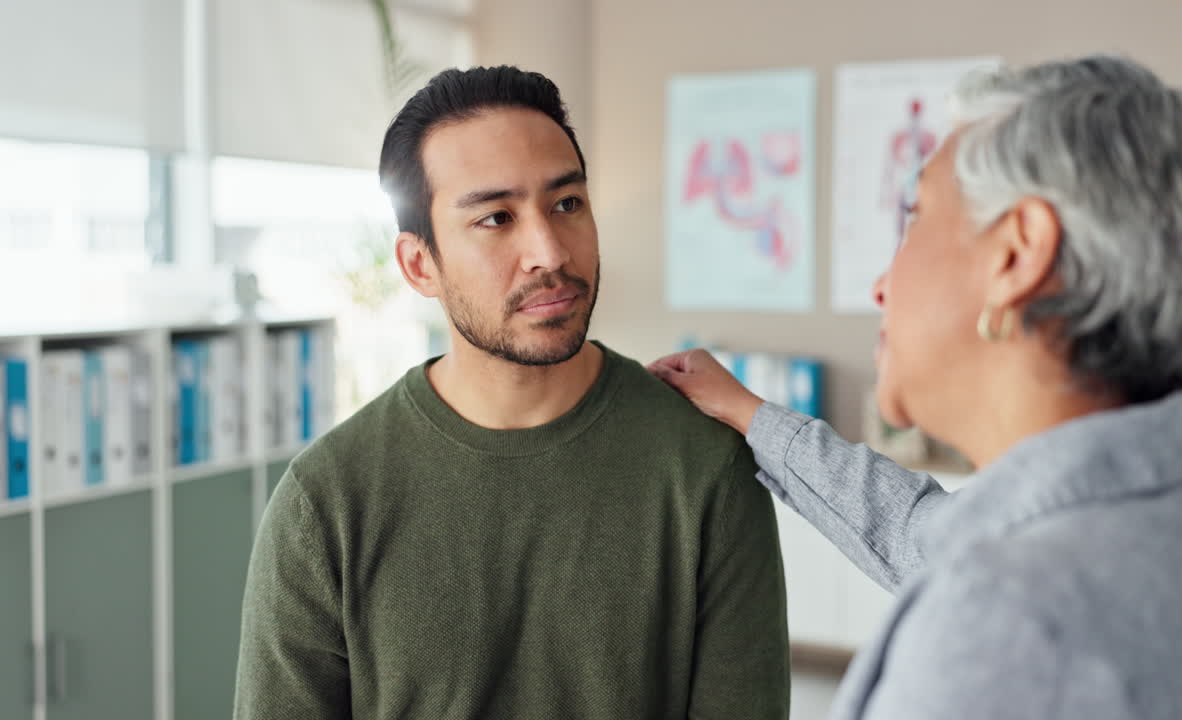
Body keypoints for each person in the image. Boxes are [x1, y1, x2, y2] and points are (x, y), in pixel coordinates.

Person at [652, 55, 1182, 719]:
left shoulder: (1008, 627)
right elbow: (919, 530)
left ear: (1017, 253)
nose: (880, 286)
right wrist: (752, 415)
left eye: (915, 215)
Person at [234, 66, 789, 720]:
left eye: (567, 204)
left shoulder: (703, 467)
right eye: (497, 218)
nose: (548, 252)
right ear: (419, 265)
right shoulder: (326, 500)